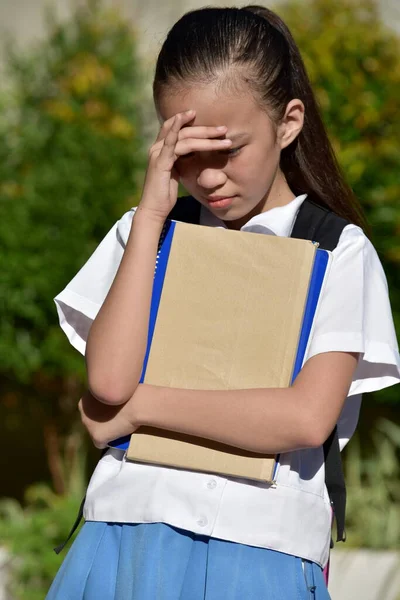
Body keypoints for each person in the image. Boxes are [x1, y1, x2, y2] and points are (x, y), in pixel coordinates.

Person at [46, 5, 400, 599]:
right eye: (186, 152)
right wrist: (154, 212)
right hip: (123, 535)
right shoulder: (147, 232)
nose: (207, 177)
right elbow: (107, 383)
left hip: (260, 553)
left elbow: (305, 418)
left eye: (228, 149)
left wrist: (141, 409)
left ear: (288, 123)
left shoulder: (338, 250)